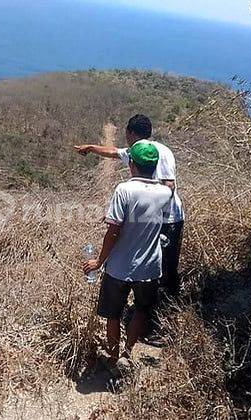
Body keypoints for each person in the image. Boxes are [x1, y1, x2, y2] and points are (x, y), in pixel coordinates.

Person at [76, 115, 185, 342]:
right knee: (149, 269)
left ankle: (158, 327)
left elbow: (169, 187)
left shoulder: (156, 154)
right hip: (147, 218)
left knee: (165, 274)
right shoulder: (140, 151)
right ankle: (142, 320)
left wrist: (141, 209)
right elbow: (115, 152)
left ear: (130, 133)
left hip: (167, 220)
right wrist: (91, 148)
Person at [82, 140, 171, 373]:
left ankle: (112, 359)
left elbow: (113, 231)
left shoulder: (124, 190)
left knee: (113, 314)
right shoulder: (165, 193)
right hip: (150, 267)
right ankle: (128, 353)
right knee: (141, 310)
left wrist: (98, 262)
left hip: (119, 267)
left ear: (132, 164)